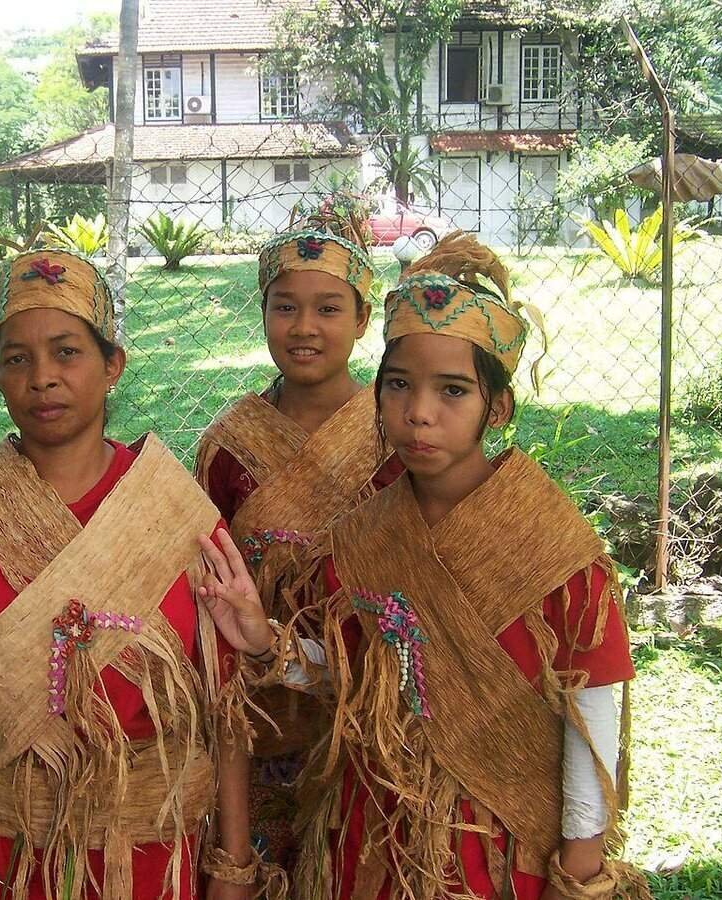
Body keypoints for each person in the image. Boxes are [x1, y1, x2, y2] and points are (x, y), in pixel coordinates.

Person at [200, 233, 647, 900]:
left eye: (453, 392)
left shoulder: (555, 547)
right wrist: (266, 641)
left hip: (497, 852)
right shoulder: (361, 538)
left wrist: (580, 869)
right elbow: (344, 675)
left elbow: (592, 715)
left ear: (496, 408)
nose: (419, 414)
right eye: (400, 386)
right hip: (369, 840)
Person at [0, 248, 269, 900]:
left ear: (113, 366)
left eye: (67, 352)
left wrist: (233, 865)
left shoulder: (175, 514)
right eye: (16, 358)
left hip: (154, 862)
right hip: (0, 861)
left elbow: (224, 707)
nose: (42, 377)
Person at [193, 222, 401, 874]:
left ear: (364, 319)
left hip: (370, 699)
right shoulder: (229, 444)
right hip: (254, 711)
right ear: (261, 314)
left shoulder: (397, 437)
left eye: (328, 308)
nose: (304, 326)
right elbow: (204, 581)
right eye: (285, 307)